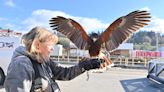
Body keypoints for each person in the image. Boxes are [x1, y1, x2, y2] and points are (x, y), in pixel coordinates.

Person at [4, 26, 106, 92]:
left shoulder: (44, 61)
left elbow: (64, 73)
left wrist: (84, 66)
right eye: (50, 45)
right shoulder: (21, 65)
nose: (53, 48)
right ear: (37, 45)